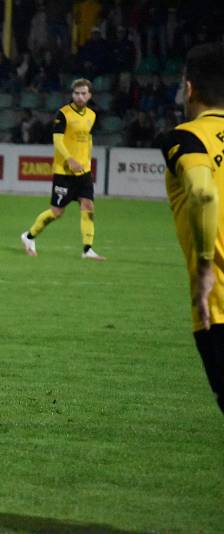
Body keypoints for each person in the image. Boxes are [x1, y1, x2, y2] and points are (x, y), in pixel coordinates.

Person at [160, 42, 224, 414]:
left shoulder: (187, 138)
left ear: (189, 89)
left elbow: (202, 193)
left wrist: (204, 264)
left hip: (217, 306)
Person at [20, 79, 105, 260]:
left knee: (88, 205)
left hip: (84, 171)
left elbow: (88, 138)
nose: (80, 97)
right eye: (77, 93)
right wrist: (70, 159)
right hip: (64, 172)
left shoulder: (91, 115)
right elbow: (57, 140)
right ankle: (28, 237)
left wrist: (87, 159)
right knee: (57, 212)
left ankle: (87, 249)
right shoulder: (63, 114)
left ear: (89, 95)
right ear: (72, 94)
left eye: (83, 93)